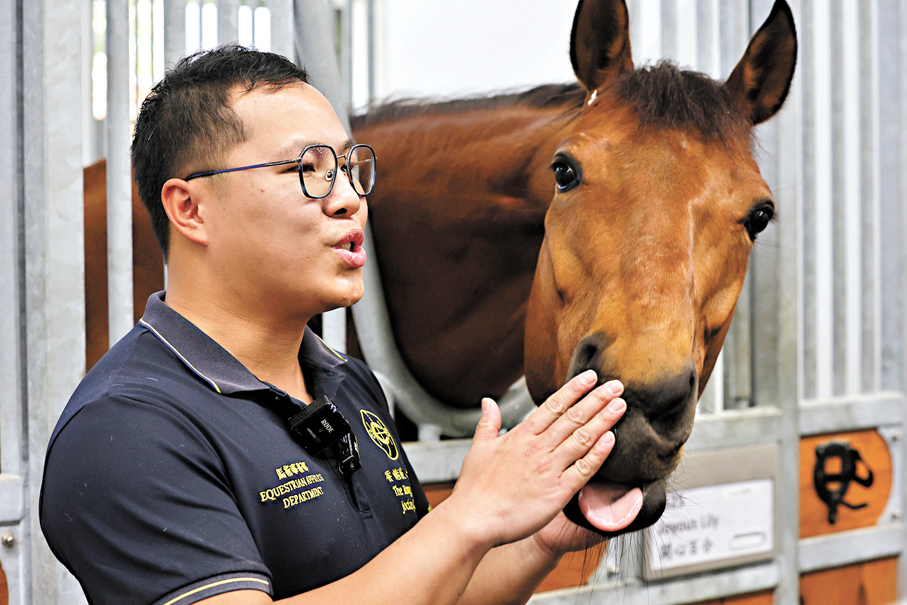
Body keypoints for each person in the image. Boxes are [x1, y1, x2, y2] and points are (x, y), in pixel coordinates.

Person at [40, 45, 631, 605]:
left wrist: (540, 534)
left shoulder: (349, 385)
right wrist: (468, 516)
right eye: (310, 168)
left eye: (350, 167)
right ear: (190, 208)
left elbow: (421, 591)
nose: (349, 198)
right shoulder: (126, 428)